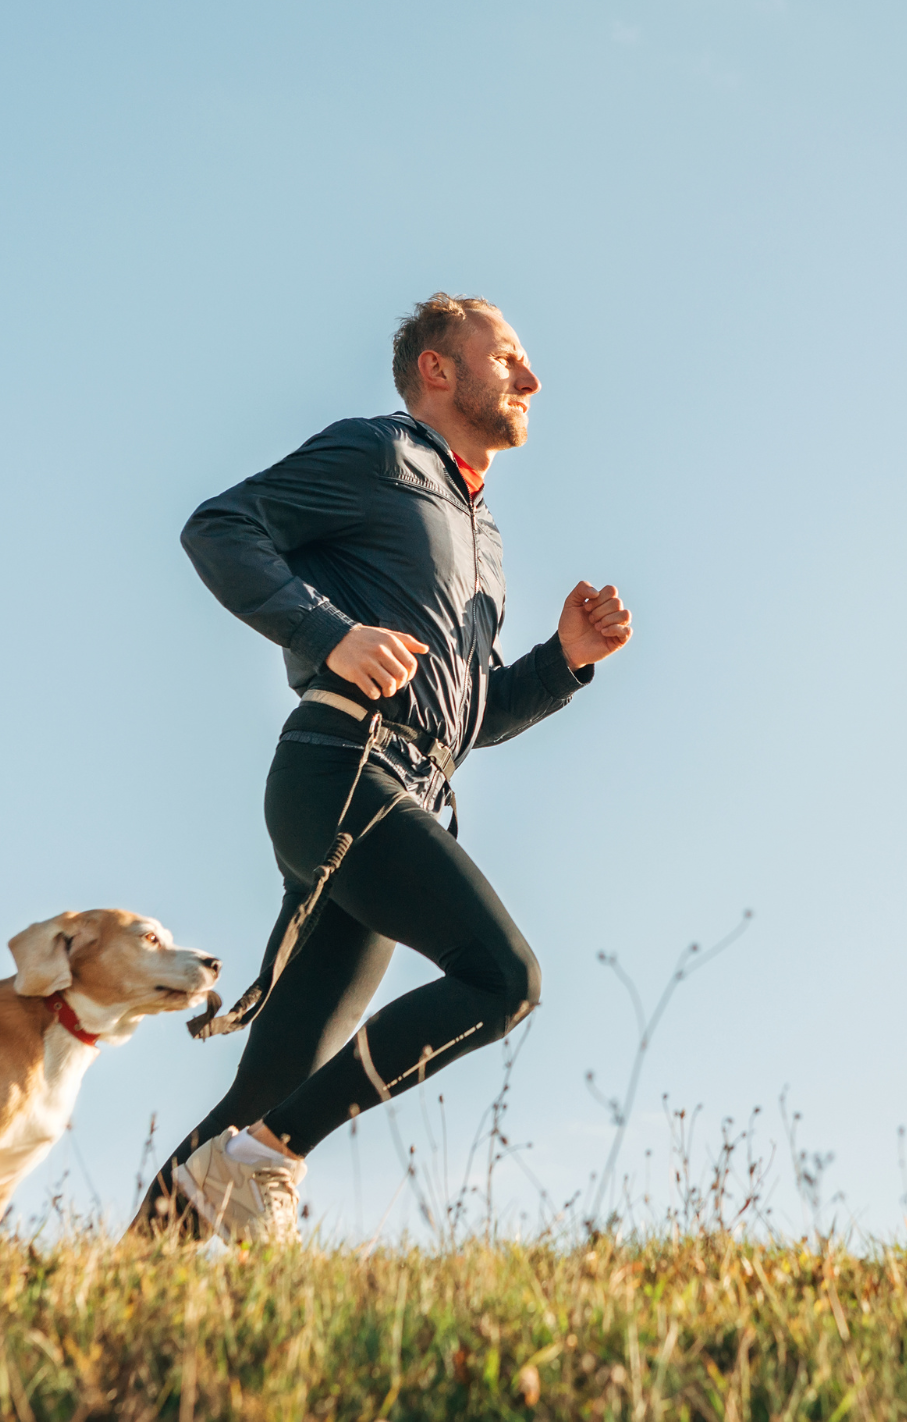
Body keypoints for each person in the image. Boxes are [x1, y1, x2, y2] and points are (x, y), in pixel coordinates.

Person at [136, 293, 631, 1243]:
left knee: (266, 1086)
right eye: (509, 358)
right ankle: (274, 1155)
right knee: (504, 978)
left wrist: (564, 660)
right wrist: (329, 634)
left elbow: (468, 718)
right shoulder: (380, 454)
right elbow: (217, 526)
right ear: (439, 371)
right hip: (341, 768)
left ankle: (110, 1295)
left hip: (406, 785)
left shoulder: (482, 538)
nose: (531, 380)